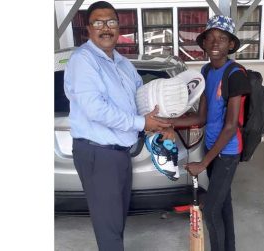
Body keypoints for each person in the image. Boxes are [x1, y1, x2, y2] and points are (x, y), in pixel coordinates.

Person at [63, 1, 170, 250]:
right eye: (98, 22)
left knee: (116, 220)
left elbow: (139, 98)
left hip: (120, 153)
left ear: (119, 27)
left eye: (111, 22)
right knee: (109, 227)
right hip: (98, 153)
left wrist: (161, 120)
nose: (105, 28)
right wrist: (143, 122)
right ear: (88, 29)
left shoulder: (122, 63)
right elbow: (95, 109)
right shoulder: (84, 60)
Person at [164, 15, 251, 251]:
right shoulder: (205, 70)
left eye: (222, 39)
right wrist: (167, 121)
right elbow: (201, 117)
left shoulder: (235, 74)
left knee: (211, 210)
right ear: (203, 43)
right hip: (213, 149)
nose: (215, 43)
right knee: (222, 206)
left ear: (231, 45)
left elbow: (231, 125)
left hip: (227, 152)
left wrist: (203, 163)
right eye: (210, 38)